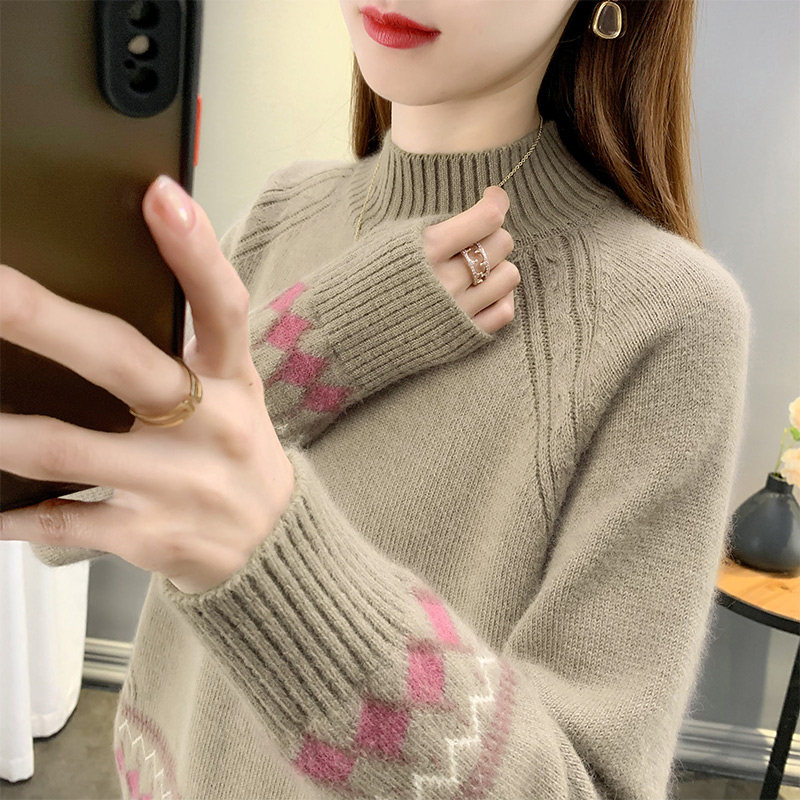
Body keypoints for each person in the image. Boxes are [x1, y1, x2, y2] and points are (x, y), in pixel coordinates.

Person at [2, 0, 751, 797]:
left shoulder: (669, 318)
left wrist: (274, 564)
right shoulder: (283, 209)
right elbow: (69, 518)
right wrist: (338, 337)